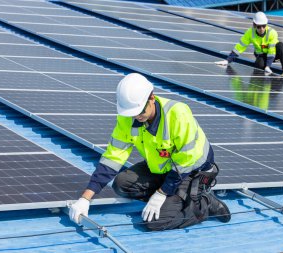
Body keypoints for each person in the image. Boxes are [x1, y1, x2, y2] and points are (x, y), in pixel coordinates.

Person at [69, 73, 231, 231]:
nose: (136, 116)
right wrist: (85, 198)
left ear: (152, 97)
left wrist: (161, 193)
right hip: (164, 169)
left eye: (140, 111)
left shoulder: (178, 113)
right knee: (121, 184)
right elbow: (113, 157)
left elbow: (186, 161)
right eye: (132, 112)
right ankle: (174, 198)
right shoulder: (128, 118)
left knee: (155, 222)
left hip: (192, 171)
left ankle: (203, 204)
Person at [216, 12, 283, 78]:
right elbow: (240, 46)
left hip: (274, 54)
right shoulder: (250, 33)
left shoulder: (272, 32)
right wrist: (228, 60)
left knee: (280, 45)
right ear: (254, 25)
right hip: (262, 55)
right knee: (259, 67)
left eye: (264, 26)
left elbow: (271, 49)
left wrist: (268, 65)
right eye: (259, 26)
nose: (261, 29)